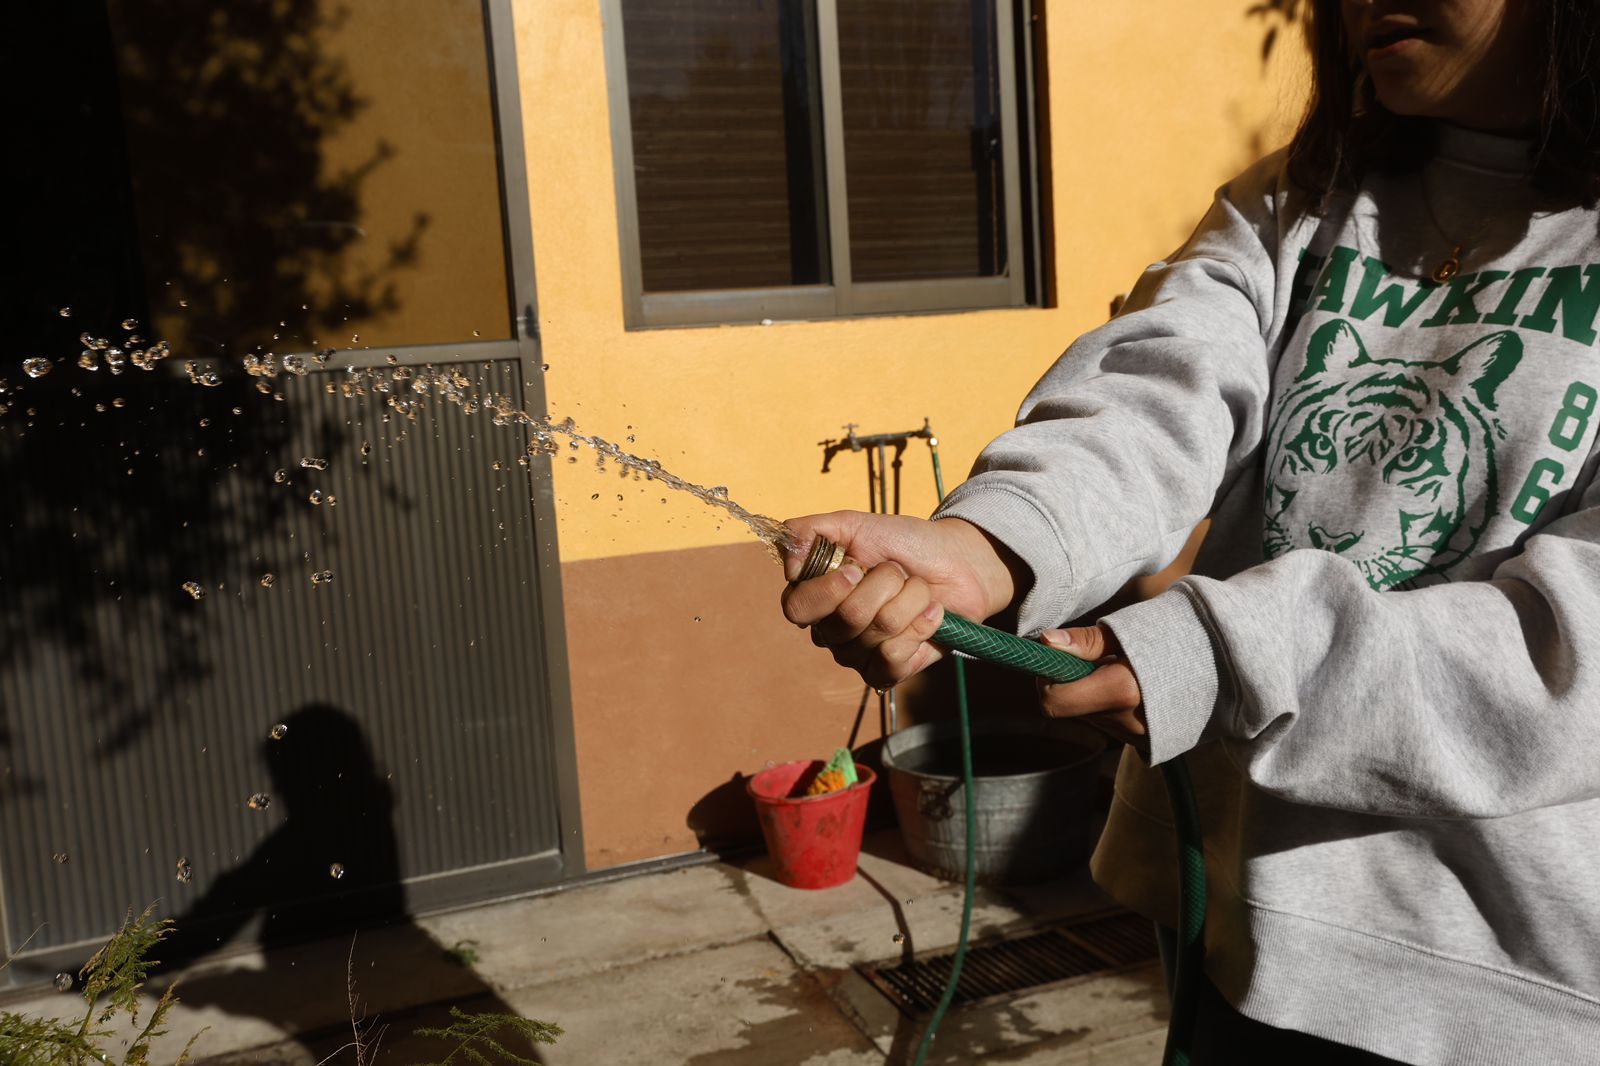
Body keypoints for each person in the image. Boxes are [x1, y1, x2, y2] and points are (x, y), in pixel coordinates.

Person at [779, 1, 1600, 1061]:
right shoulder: (1300, 201)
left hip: (1499, 981)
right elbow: (1154, 391)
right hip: (1228, 918)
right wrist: (991, 546)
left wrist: (1224, 654)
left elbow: (1572, 648)